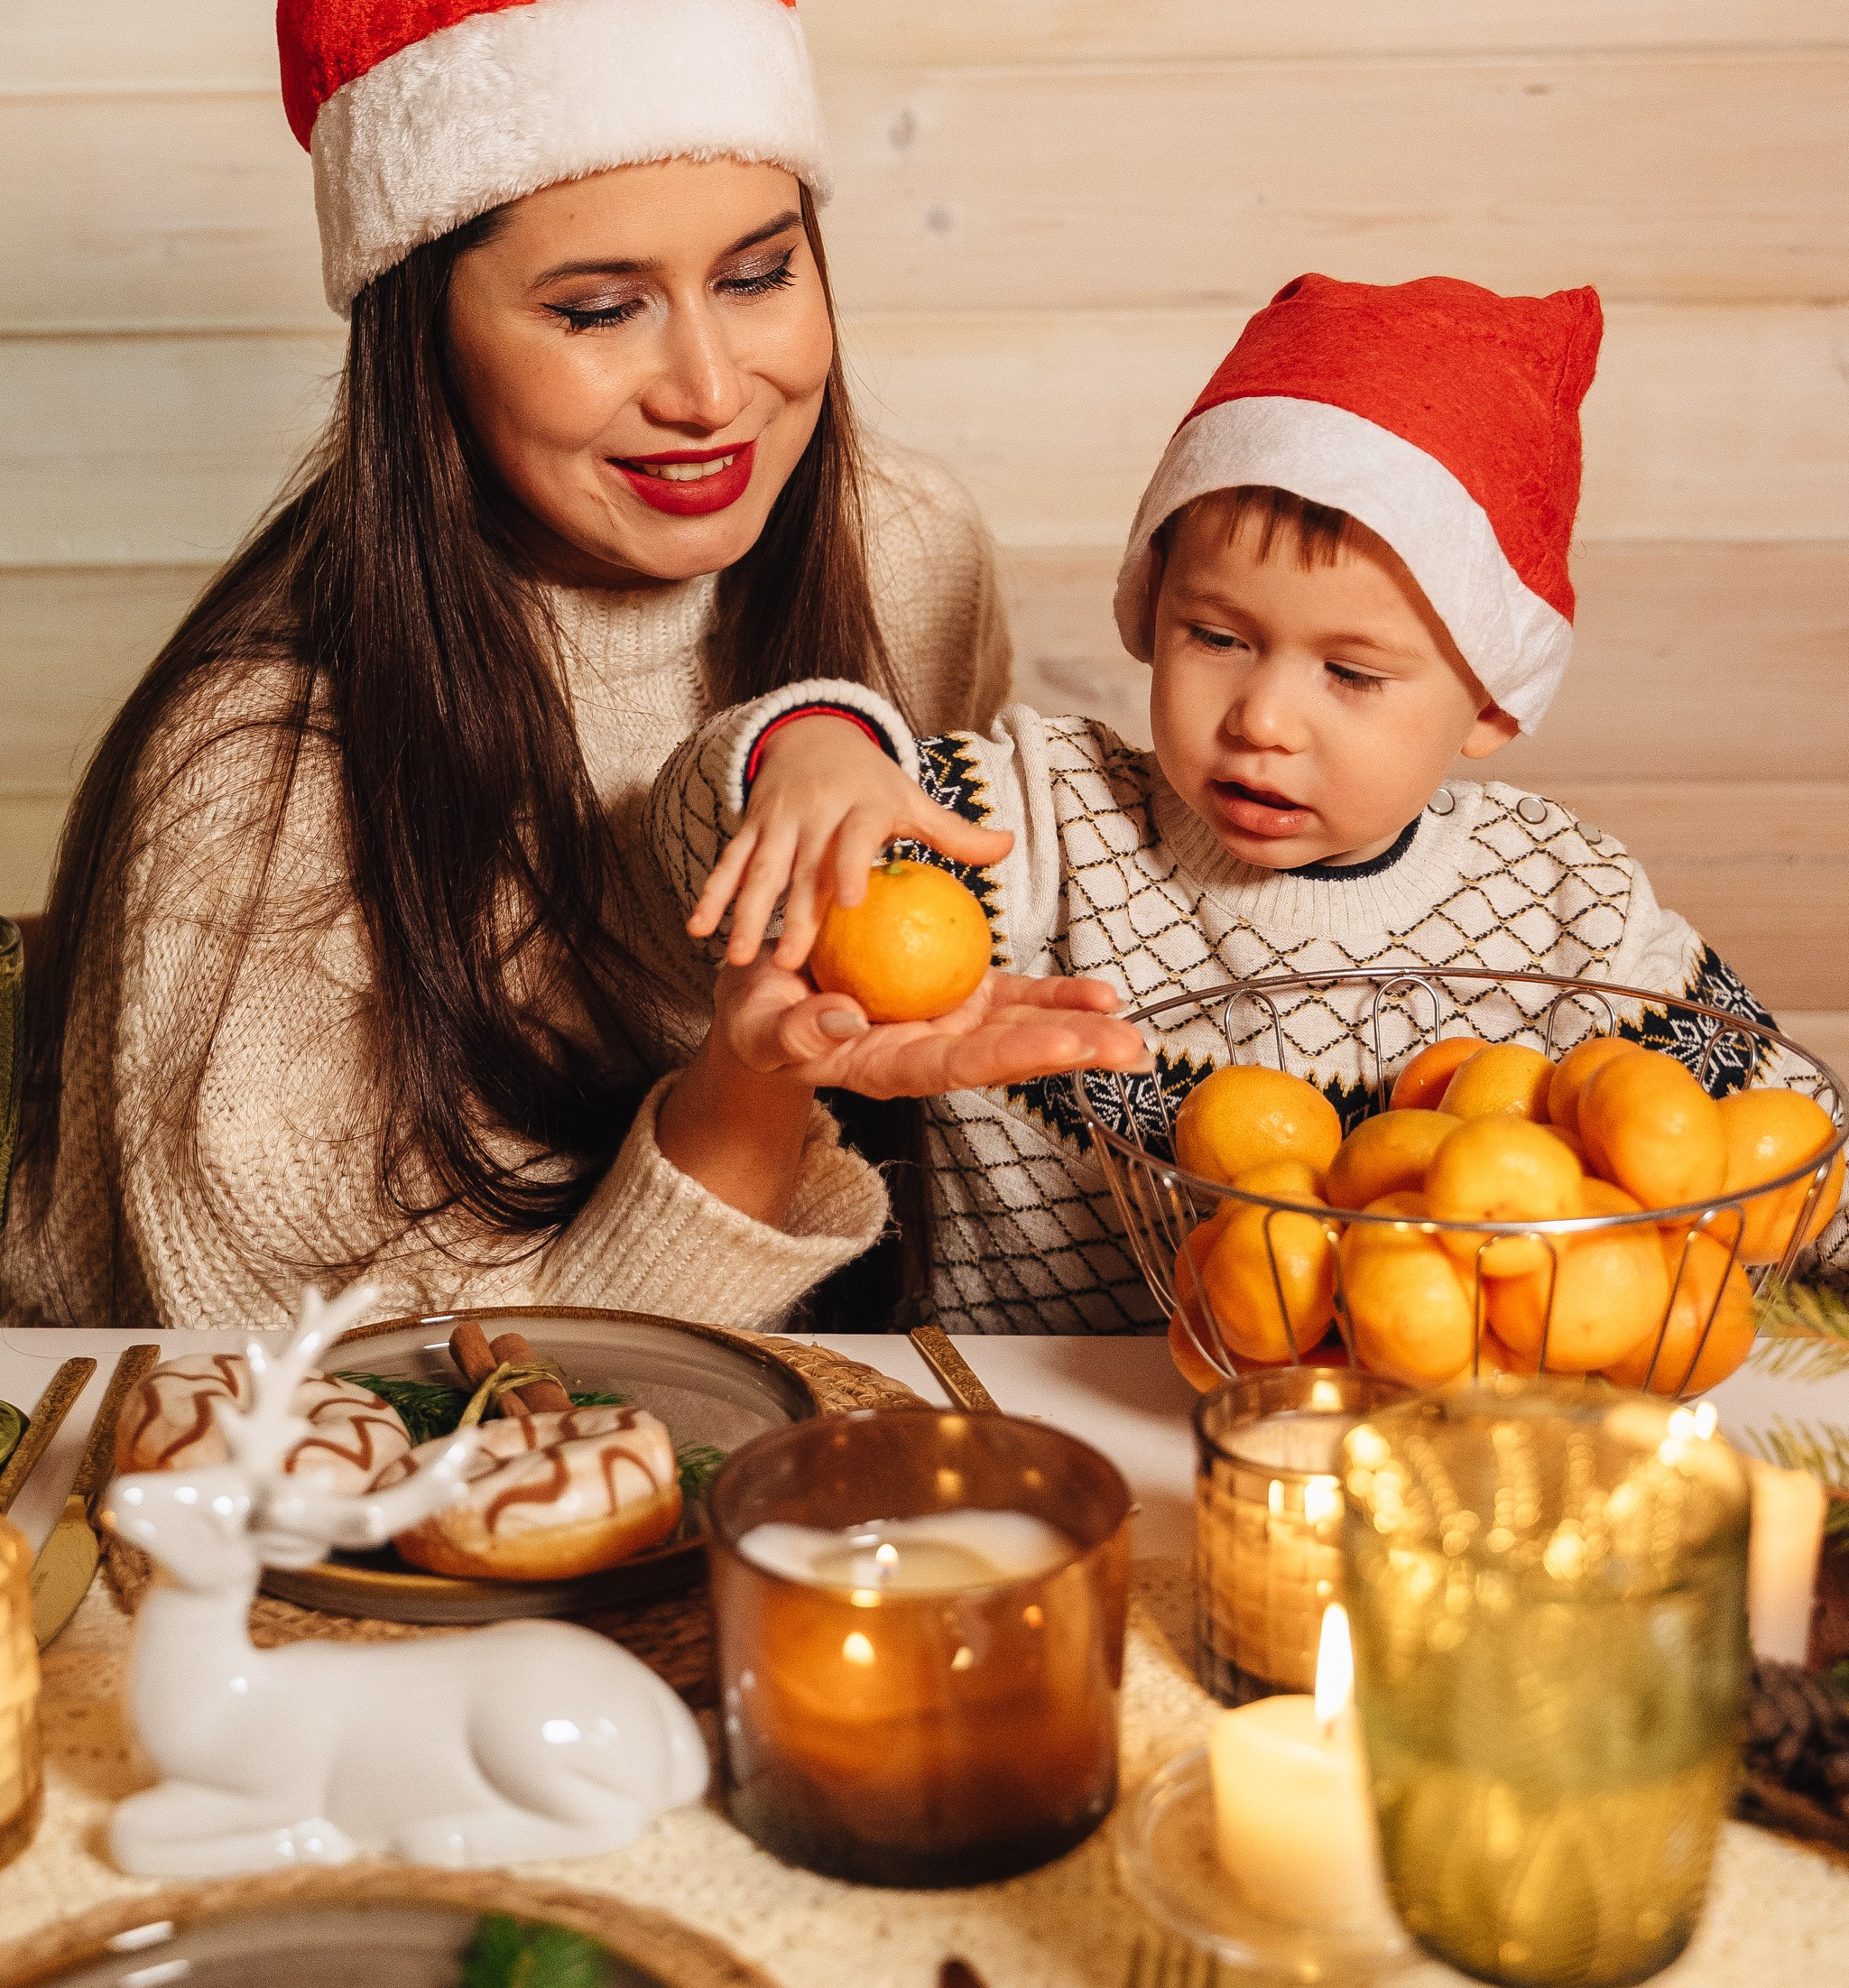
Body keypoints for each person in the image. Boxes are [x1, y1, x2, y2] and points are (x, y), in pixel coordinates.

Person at [0, 0, 1128, 1330]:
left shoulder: (908, 552)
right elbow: (312, 1399)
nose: (710, 390)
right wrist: (742, 1109)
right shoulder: (253, 770)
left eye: (757, 277)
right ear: (423, 344)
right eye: (597, 310)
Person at [661, 273, 1774, 1332]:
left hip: (1421, 1443)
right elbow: (708, 847)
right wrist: (813, 748)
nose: (1262, 718)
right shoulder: (1046, 814)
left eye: (1348, 672)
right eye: (1218, 637)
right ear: (1152, 613)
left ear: (1488, 701)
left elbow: (1786, 1165)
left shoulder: (1568, 904)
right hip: (1024, 1416)